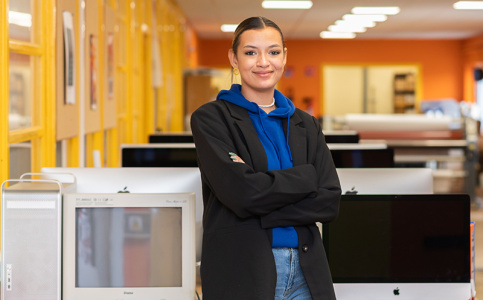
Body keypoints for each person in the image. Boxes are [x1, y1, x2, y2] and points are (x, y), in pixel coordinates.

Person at [190, 16, 341, 300]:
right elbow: (242, 194)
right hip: (242, 271)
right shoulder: (211, 119)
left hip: (307, 272)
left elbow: (329, 200)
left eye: (273, 52)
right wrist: (306, 177)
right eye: (250, 52)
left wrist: (258, 207)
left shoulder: (305, 124)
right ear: (234, 59)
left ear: (284, 57)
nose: (263, 62)